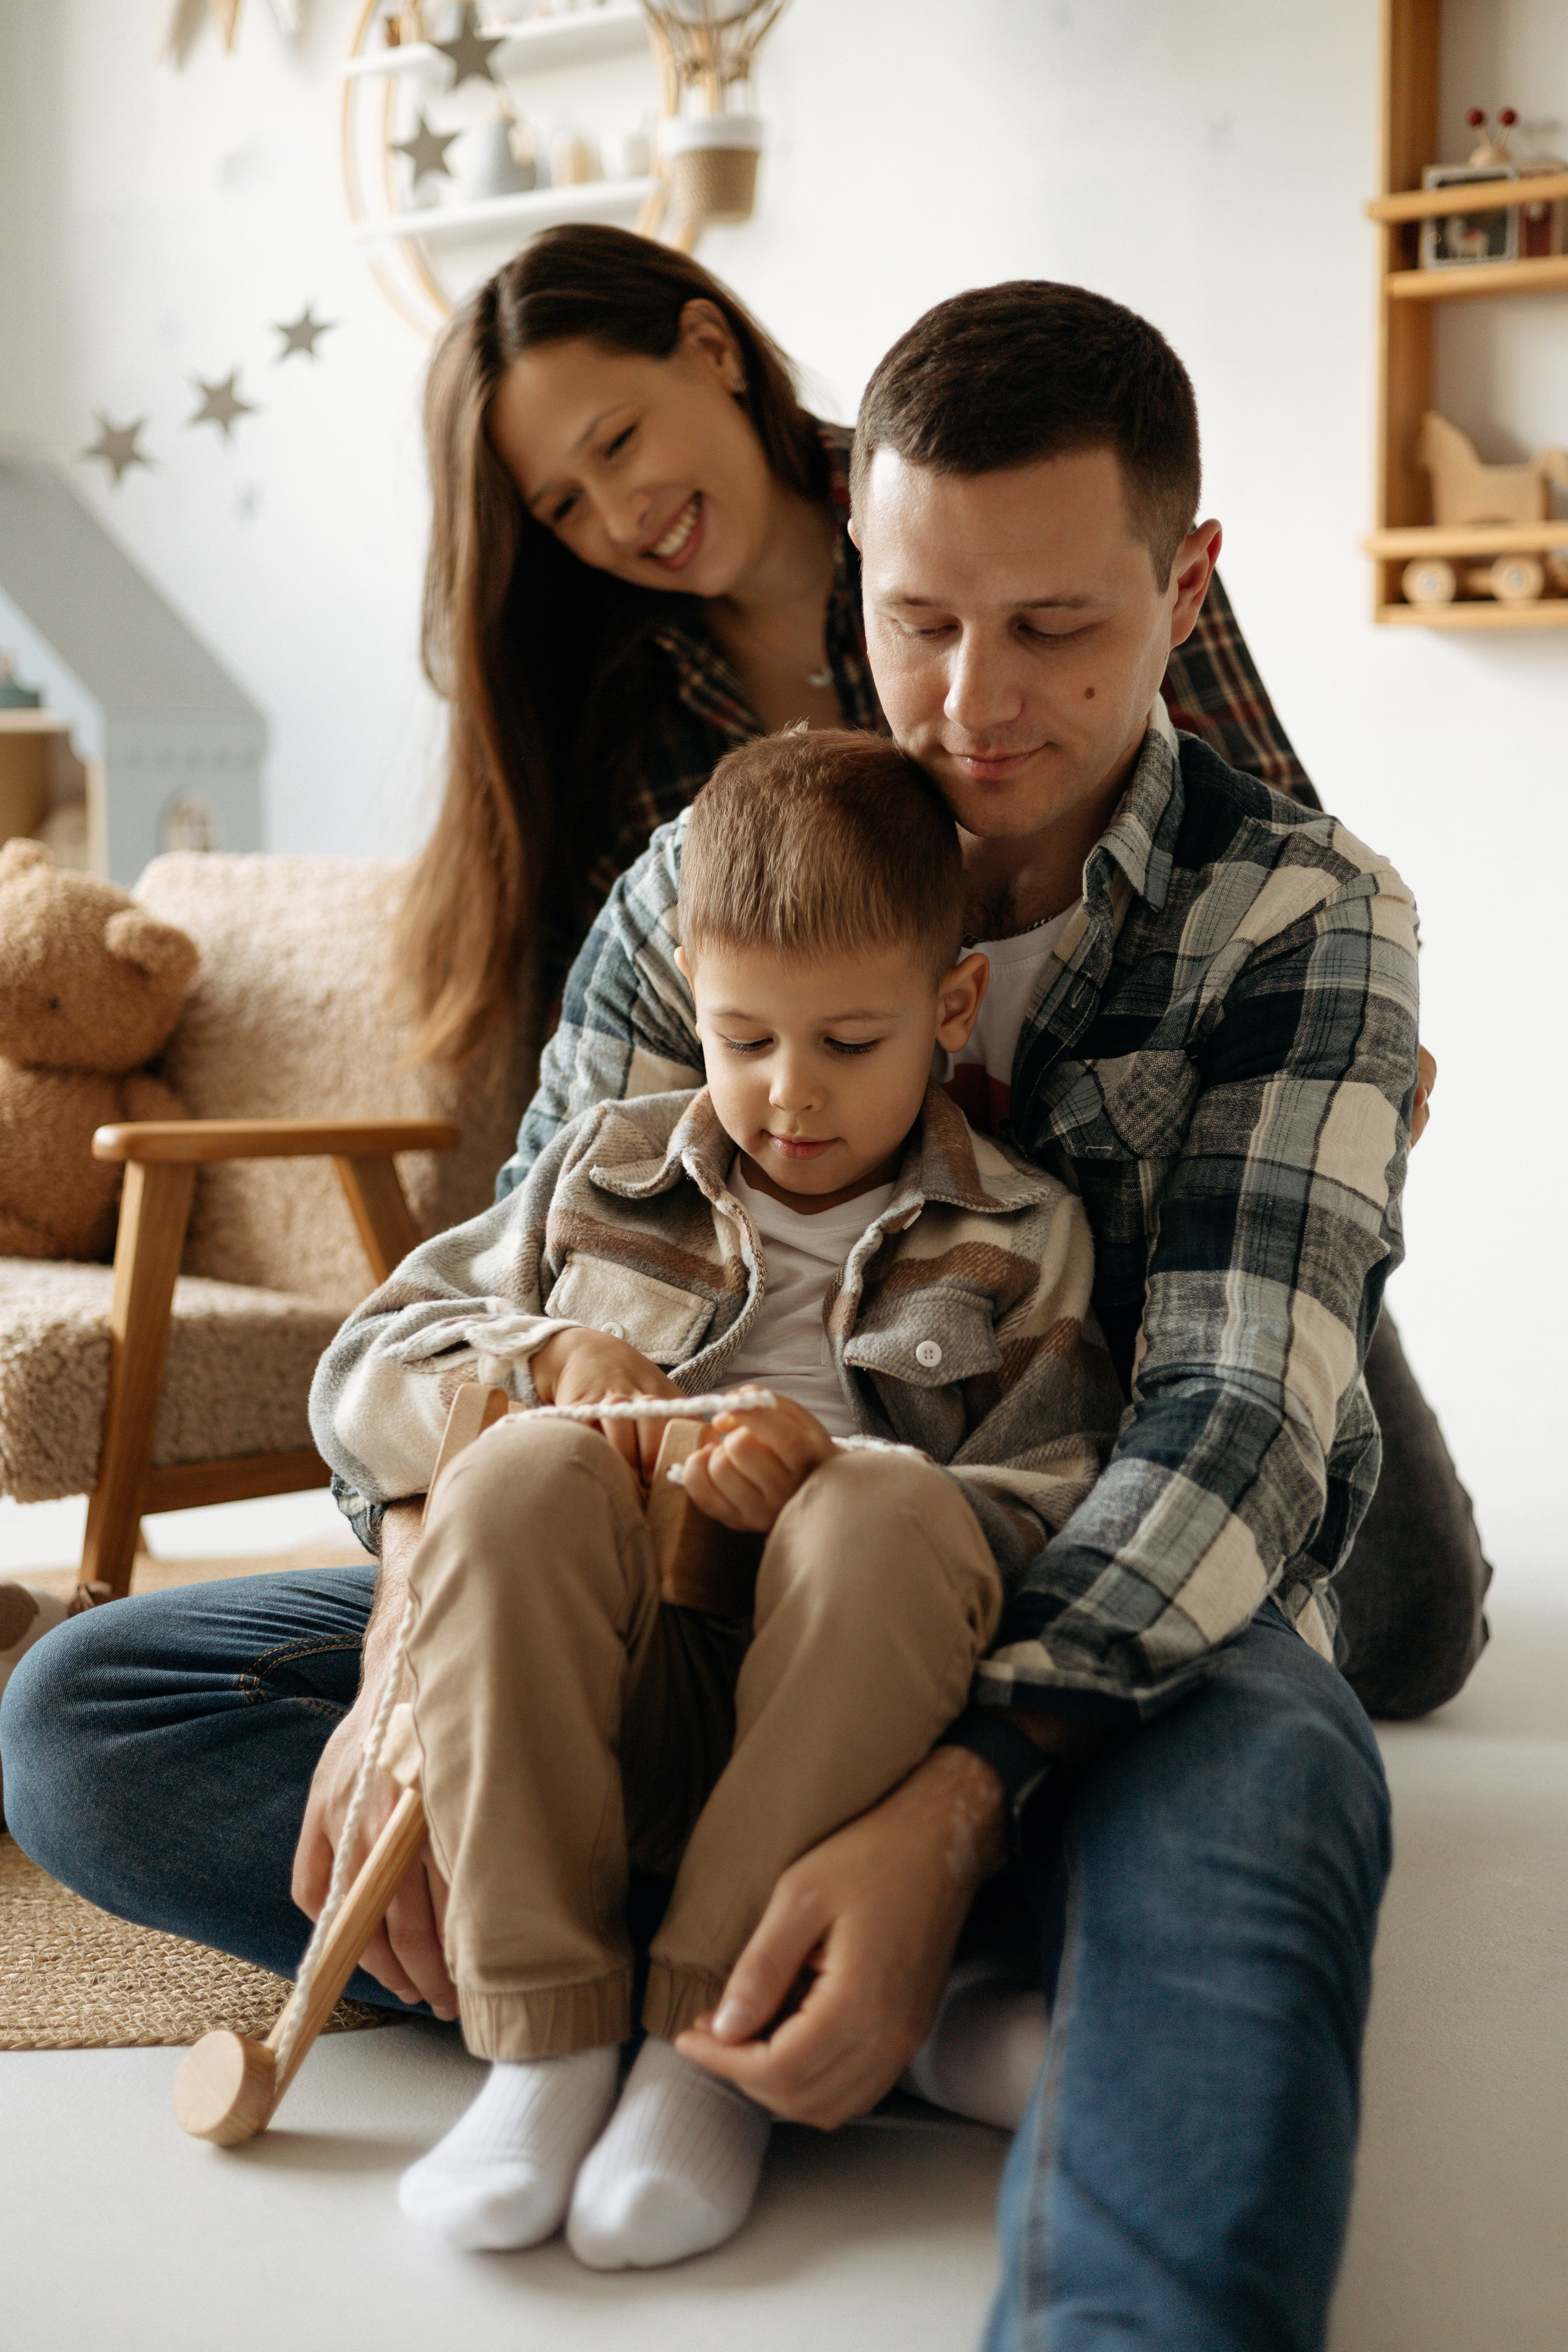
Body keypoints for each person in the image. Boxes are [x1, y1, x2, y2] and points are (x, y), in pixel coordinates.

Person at [0, 263, 1452, 2345]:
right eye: (919, 620)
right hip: (683, 1598)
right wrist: (423, 1624)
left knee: (1271, 1810)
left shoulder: (1306, 916)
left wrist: (955, 1803)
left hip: (1074, 1608)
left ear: (1188, 585)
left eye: (1058, 628)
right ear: (851, 552)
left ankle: (897, 1994)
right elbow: (512, 1278)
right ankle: (788, 1994)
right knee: (88, 1720)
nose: (974, 703)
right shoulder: (712, 872)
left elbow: (1225, 1427)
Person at [308, 730, 1123, 2267]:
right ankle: (546, 2047)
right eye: (742, 1040)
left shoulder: (1023, 1236)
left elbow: (1054, 1501)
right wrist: (553, 1354)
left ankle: (707, 2052)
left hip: (843, 1728)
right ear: (687, 995)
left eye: (848, 1044)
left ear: (950, 1012)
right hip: (599, 1708)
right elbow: (358, 1377)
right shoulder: (598, 1175)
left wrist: (829, 1480)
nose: (789, 1095)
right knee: (523, 1472)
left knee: (880, 1520)